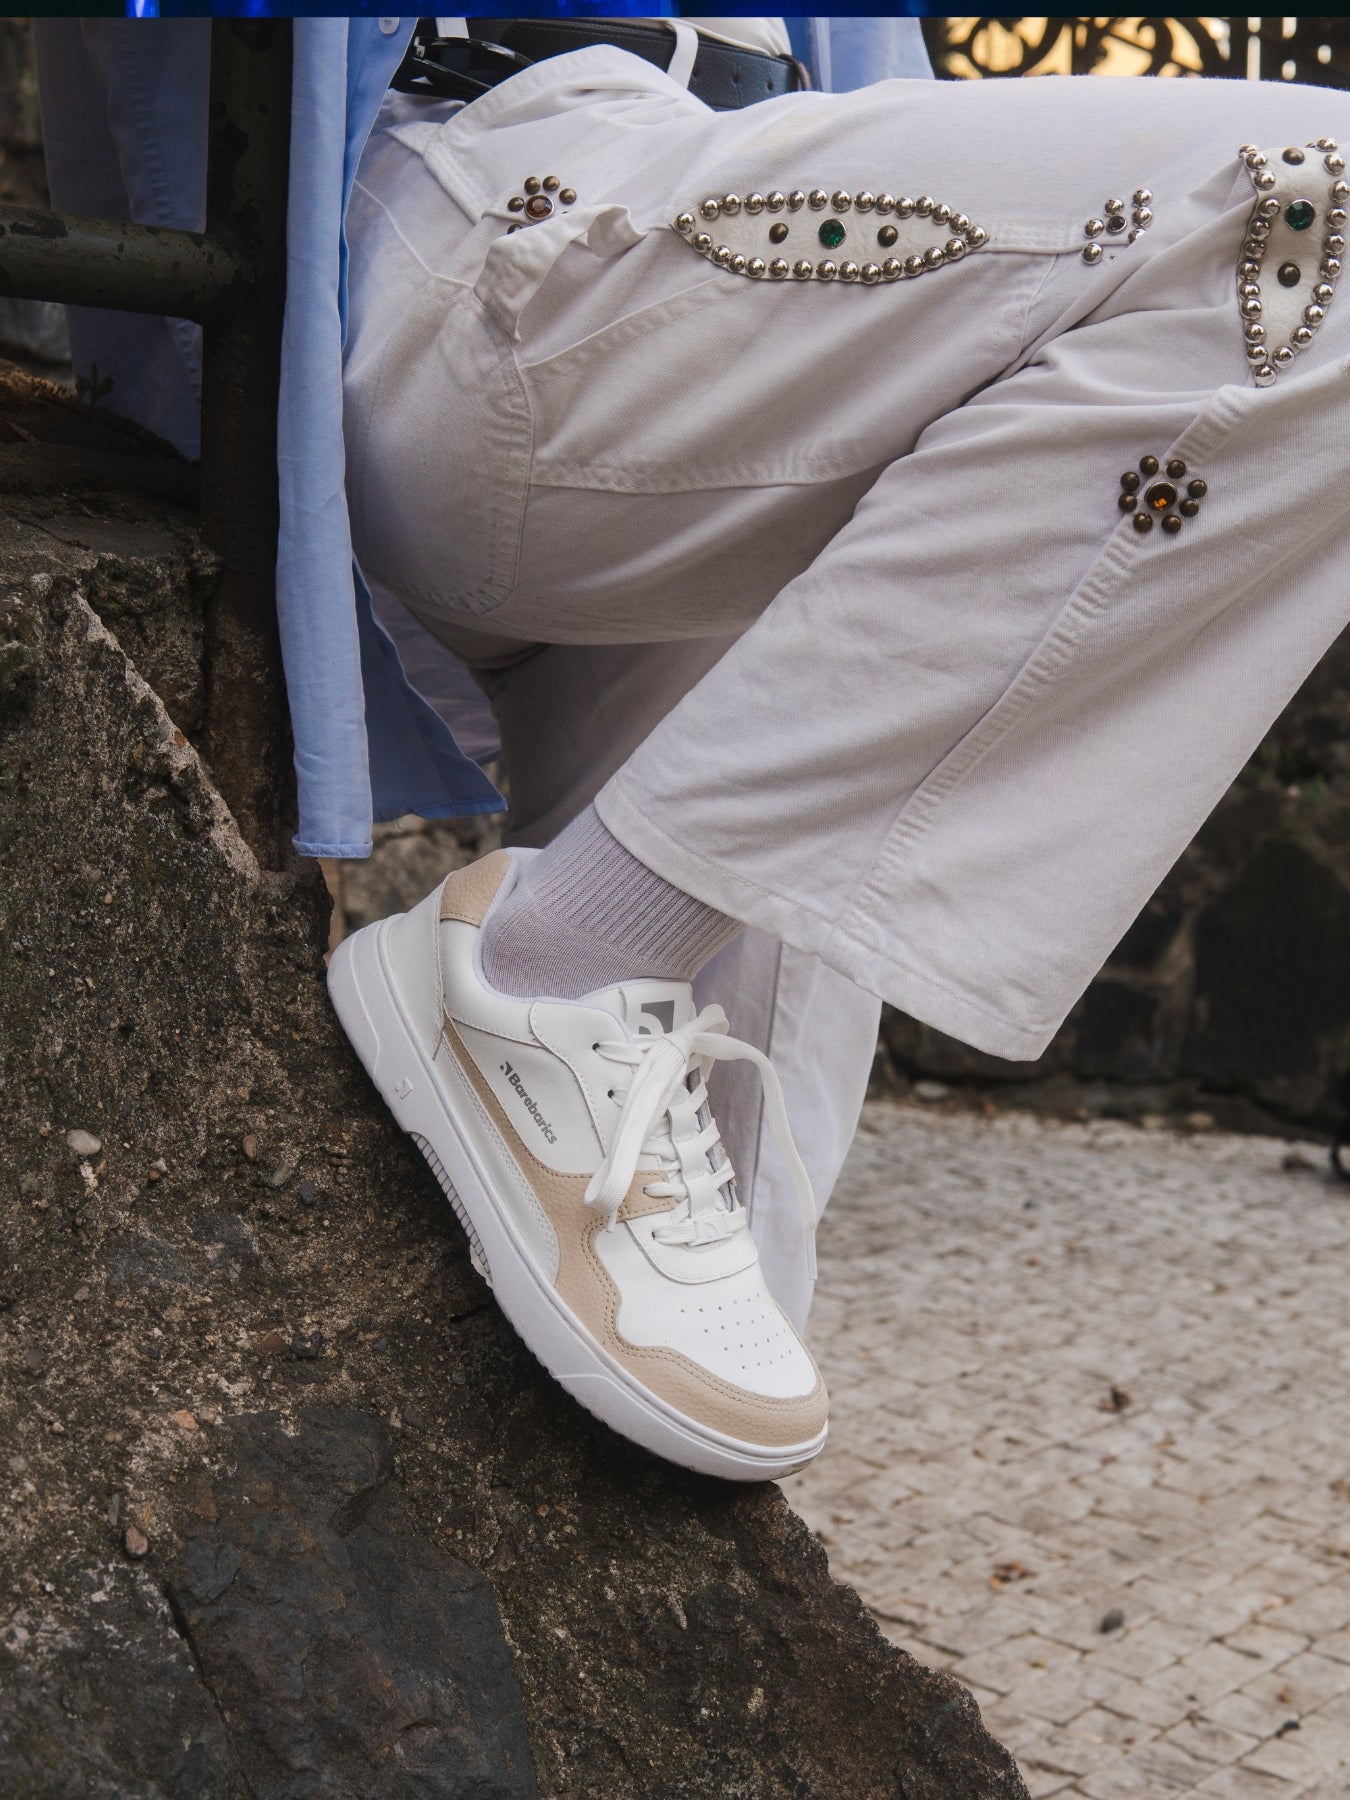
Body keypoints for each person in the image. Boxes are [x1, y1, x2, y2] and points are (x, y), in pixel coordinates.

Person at [331, 21, 1350, 1481]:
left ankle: (675, 1593)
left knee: (722, 1268)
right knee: (1312, 207)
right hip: (502, 205)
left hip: (752, 254)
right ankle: (549, 969)